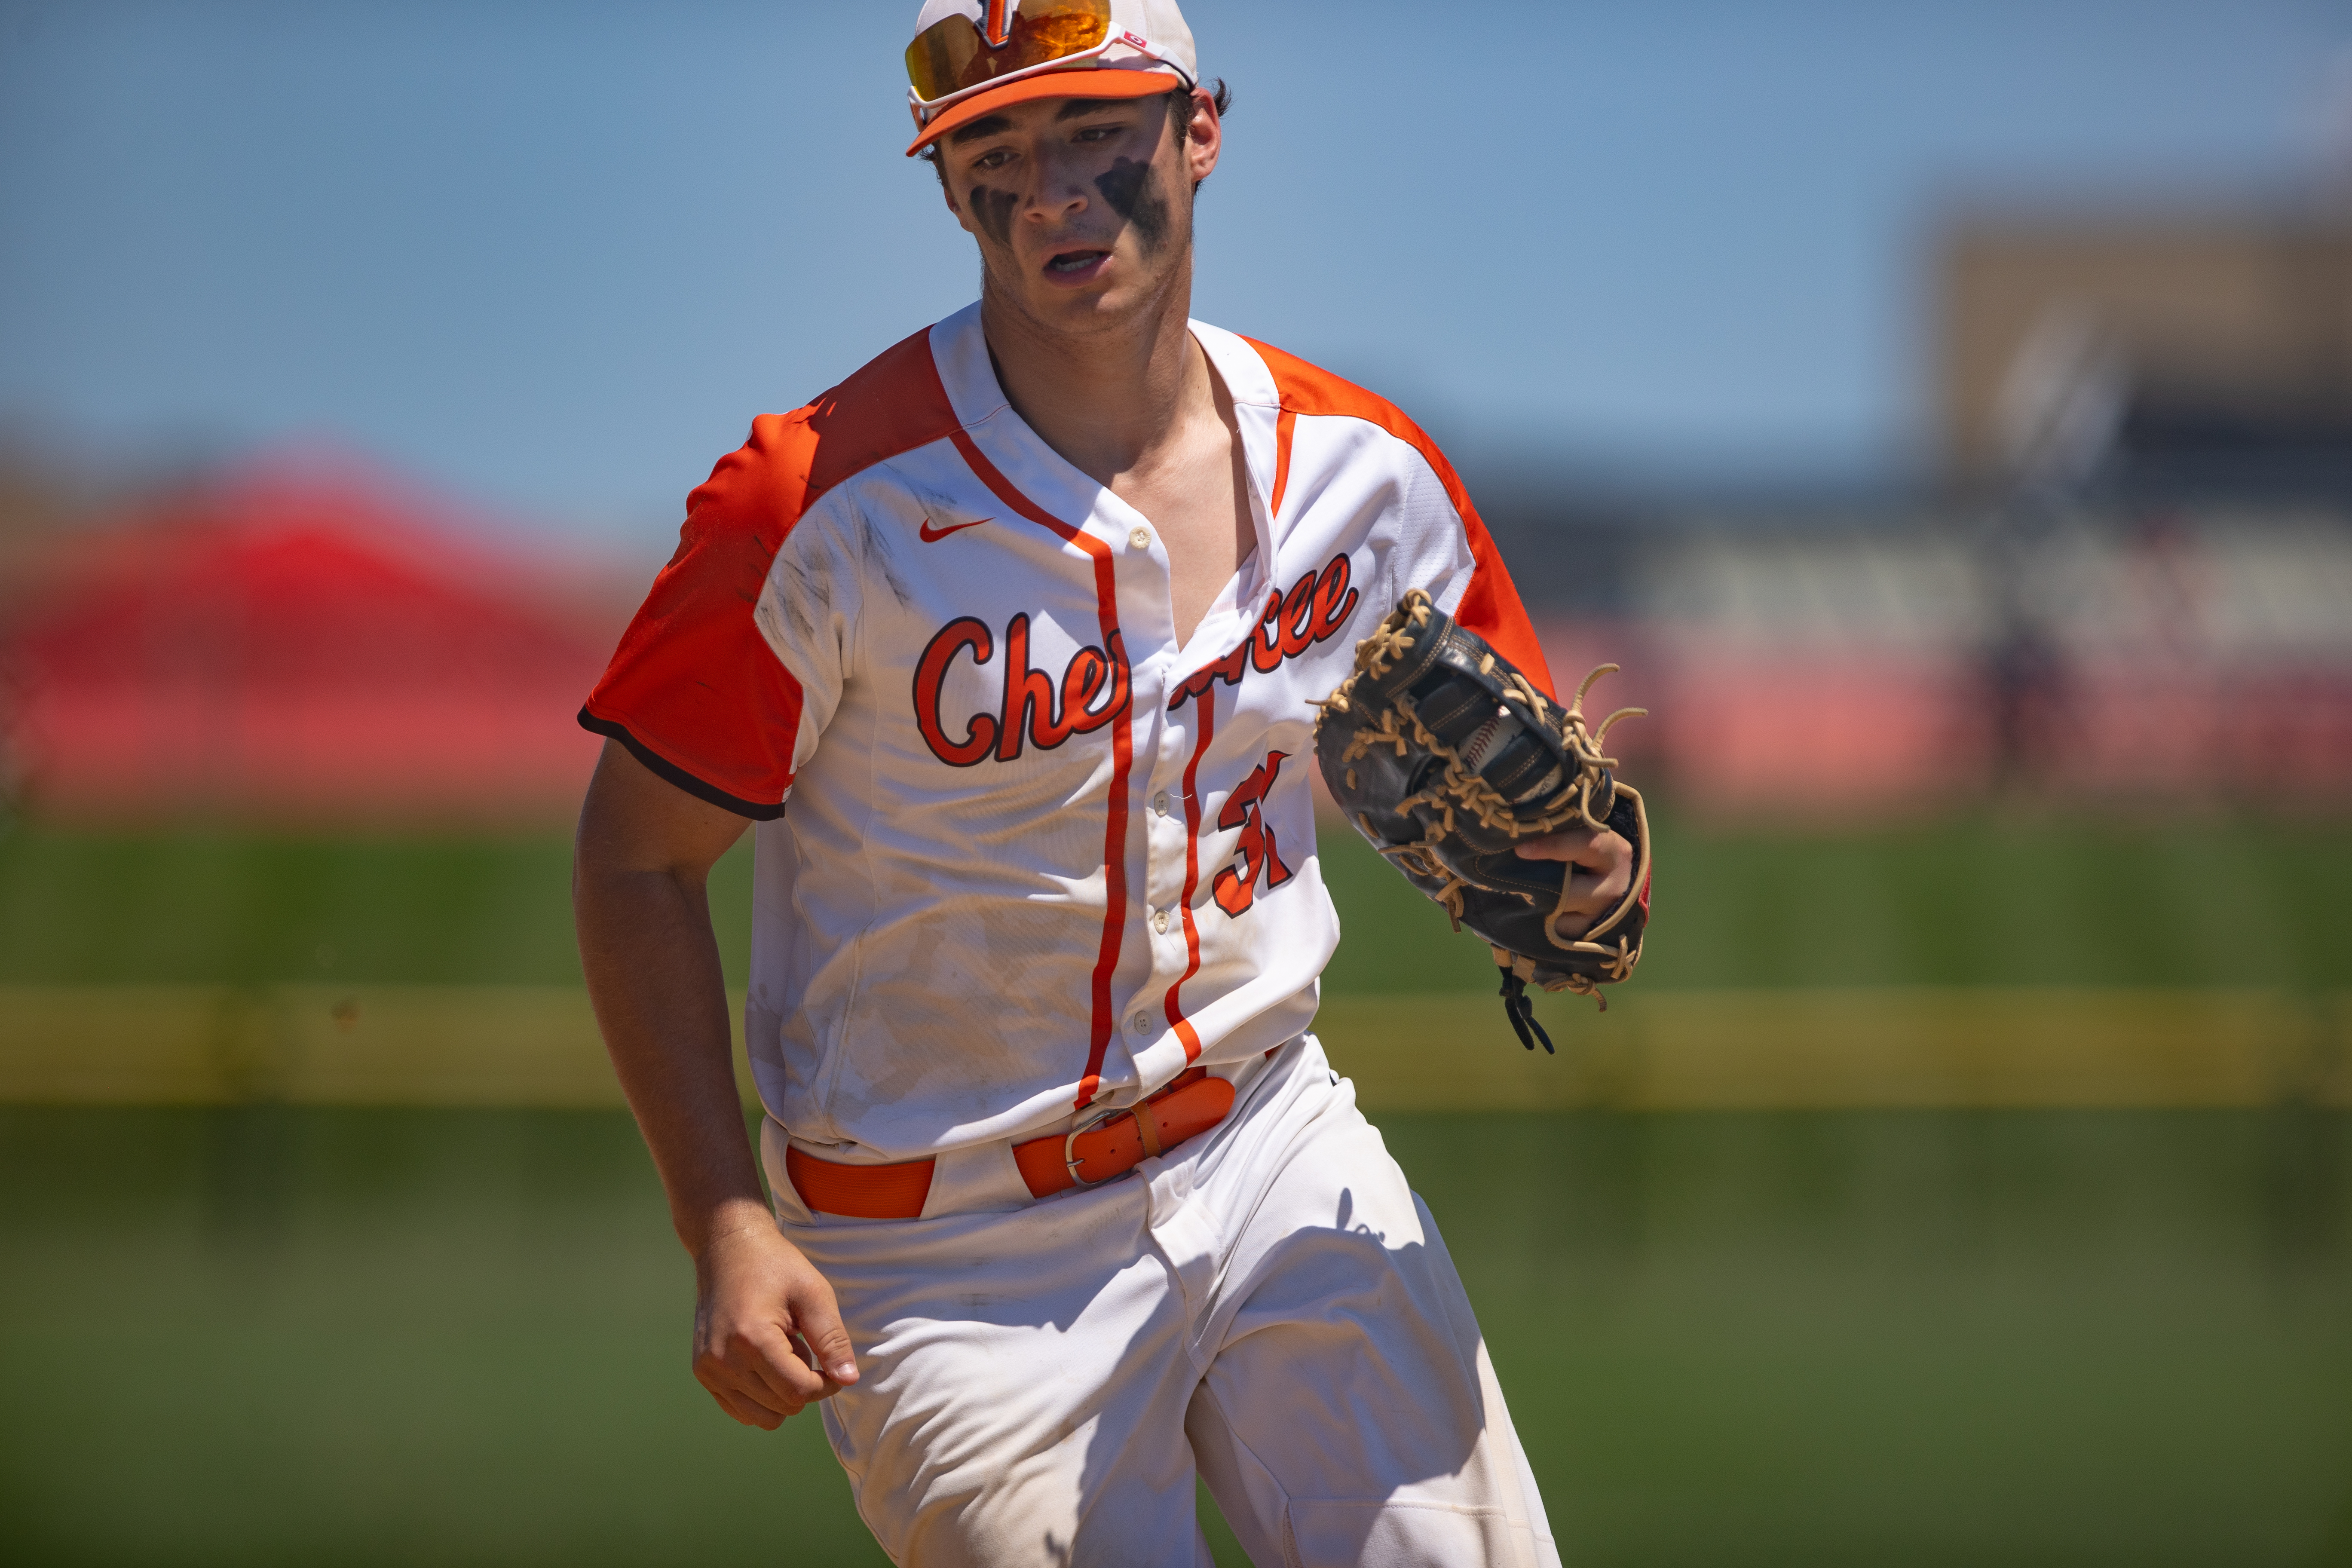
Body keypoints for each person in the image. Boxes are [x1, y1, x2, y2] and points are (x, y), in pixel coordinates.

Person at [572, 2, 1632, 1562]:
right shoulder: (817, 507)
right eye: (995, 152)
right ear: (951, 195)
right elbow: (636, 861)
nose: (1051, 191)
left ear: (1201, 131)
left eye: (1093, 134)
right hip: (943, 1251)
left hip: (1271, 1148)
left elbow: (1563, 819)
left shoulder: (1363, 473)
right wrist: (722, 1219)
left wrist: (1603, 880)